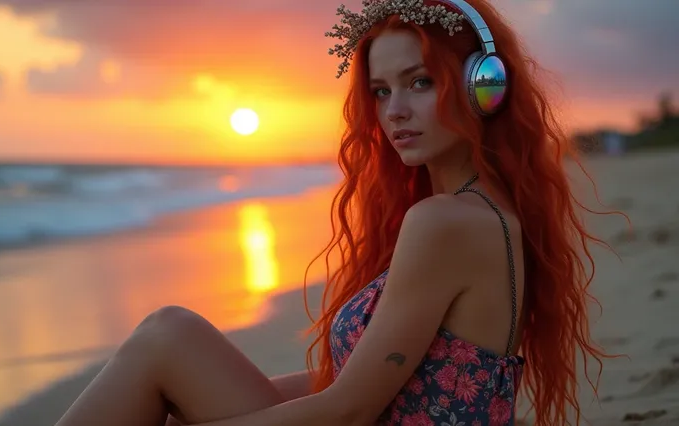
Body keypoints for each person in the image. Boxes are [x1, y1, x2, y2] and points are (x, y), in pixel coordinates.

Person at [55, 0, 614, 425]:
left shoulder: (445, 223)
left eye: (420, 82)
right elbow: (365, 382)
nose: (395, 111)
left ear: (482, 87)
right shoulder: (482, 213)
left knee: (166, 335)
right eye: (379, 90)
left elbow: (347, 410)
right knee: (171, 343)